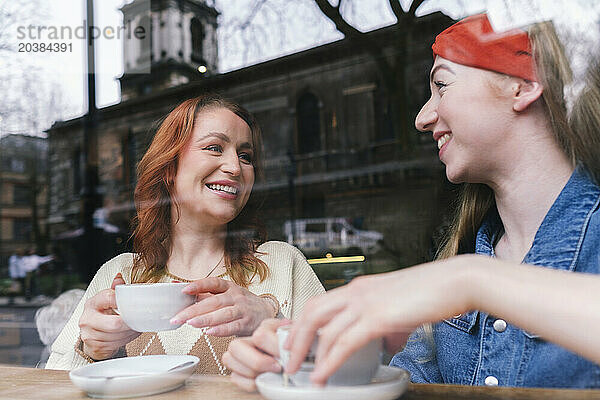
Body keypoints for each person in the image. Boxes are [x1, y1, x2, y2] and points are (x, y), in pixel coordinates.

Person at [223, 14, 600, 389]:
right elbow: (407, 385)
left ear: (523, 85)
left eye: (442, 85)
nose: (423, 117)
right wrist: (300, 359)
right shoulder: (465, 254)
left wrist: (471, 281)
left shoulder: (464, 274)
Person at [45, 94, 324, 373]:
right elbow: (50, 383)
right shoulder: (121, 273)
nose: (235, 167)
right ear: (170, 168)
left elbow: (338, 375)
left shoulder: (282, 263)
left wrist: (270, 318)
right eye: (215, 148)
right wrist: (92, 351)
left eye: (245, 156)